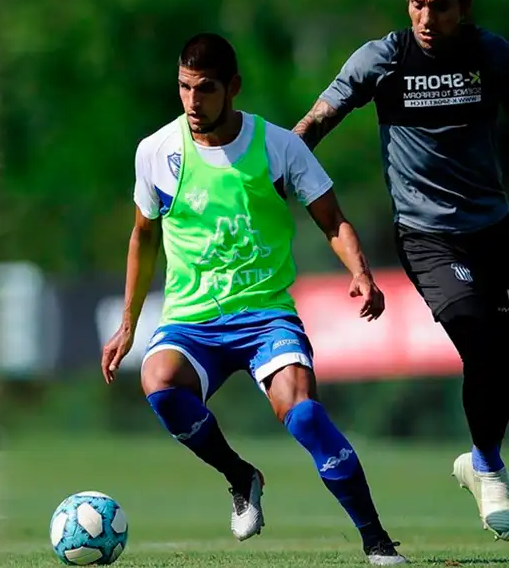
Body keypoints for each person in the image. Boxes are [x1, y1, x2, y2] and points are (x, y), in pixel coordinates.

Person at [100, 33, 406, 565]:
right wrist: (128, 323)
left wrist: (359, 269)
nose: (193, 102)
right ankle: (241, 476)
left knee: (306, 417)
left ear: (233, 88)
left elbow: (331, 219)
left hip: (266, 315)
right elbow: (142, 236)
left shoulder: (279, 147)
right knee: (160, 384)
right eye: (184, 88)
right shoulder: (156, 152)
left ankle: (377, 541)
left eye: (206, 89)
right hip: (192, 319)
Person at [292, 0, 509, 539]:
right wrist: (268, 172)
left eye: (440, 6)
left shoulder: (490, 54)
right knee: (475, 332)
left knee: (498, 355)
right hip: (428, 237)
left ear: (464, 5)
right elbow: (316, 123)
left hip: (496, 231)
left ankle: (478, 457)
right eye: (417, 4)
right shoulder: (383, 59)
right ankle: (488, 467)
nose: (426, 17)